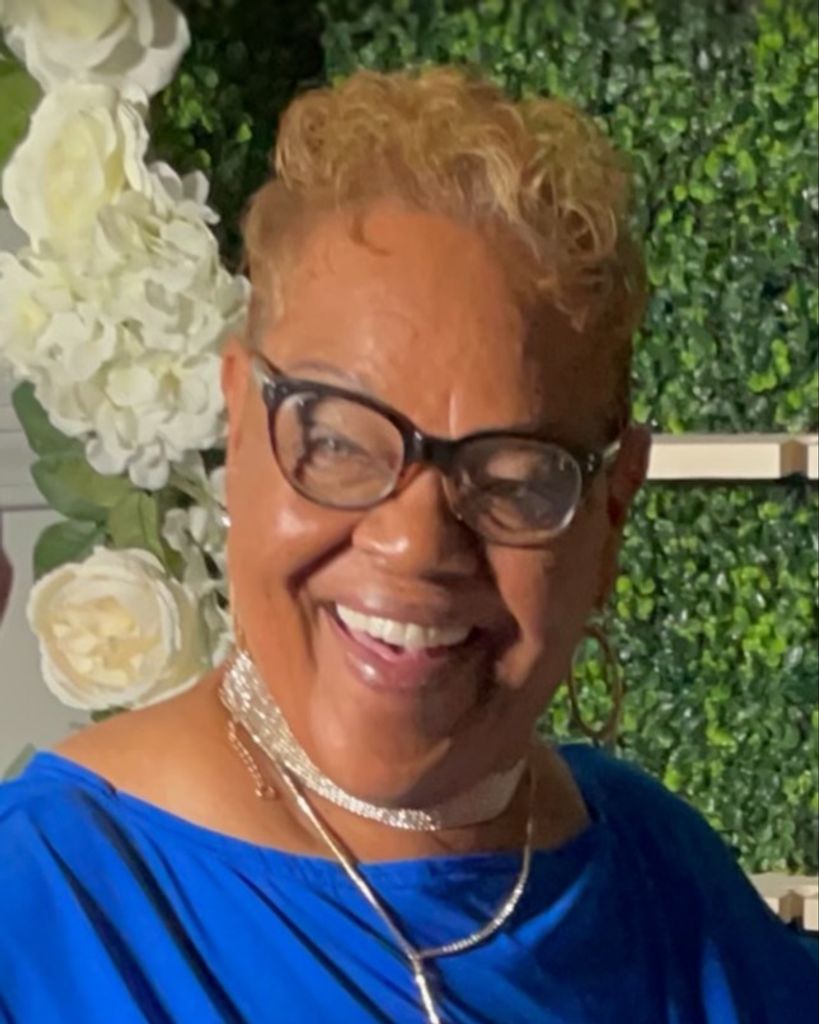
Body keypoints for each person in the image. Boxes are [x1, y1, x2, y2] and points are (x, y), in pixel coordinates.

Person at [0, 67, 815, 1024]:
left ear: (610, 512)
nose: (412, 541)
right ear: (237, 422)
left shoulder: (663, 884)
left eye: (513, 477)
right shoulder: (46, 914)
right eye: (340, 441)